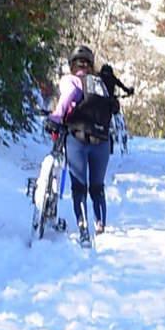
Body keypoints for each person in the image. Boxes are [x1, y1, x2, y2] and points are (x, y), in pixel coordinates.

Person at [46, 45, 116, 246]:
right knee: (97, 187)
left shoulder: (72, 80)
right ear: (91, 65)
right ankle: (100, 225)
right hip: (102, 140)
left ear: (72, 65)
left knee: (79, 186)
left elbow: (67, 97)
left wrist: (56, 118)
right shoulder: (100, 84)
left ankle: (83, 227)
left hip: (77, 138)